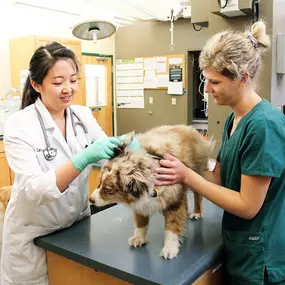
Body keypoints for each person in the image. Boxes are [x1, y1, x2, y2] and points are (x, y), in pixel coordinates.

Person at [155, 21, 285, 285]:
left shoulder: (264, 126)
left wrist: (187, 177)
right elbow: (221, 176)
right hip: (240, 248)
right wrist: (190, 158)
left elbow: (248, 207)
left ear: (243, 78)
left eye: (214, 81)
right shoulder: (234, 119)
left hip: (261, 259)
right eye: (206, 80)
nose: (206, 89)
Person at [1, 42, 121, 285]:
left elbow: (109, 152)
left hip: (76, 229)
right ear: (36, 85)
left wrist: (132, 147)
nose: (68, 89)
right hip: (36, 235)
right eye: (58, 82)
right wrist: (83, 158)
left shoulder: (82, 115)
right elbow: (36, 189)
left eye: (73, 80)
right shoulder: (18, 126)